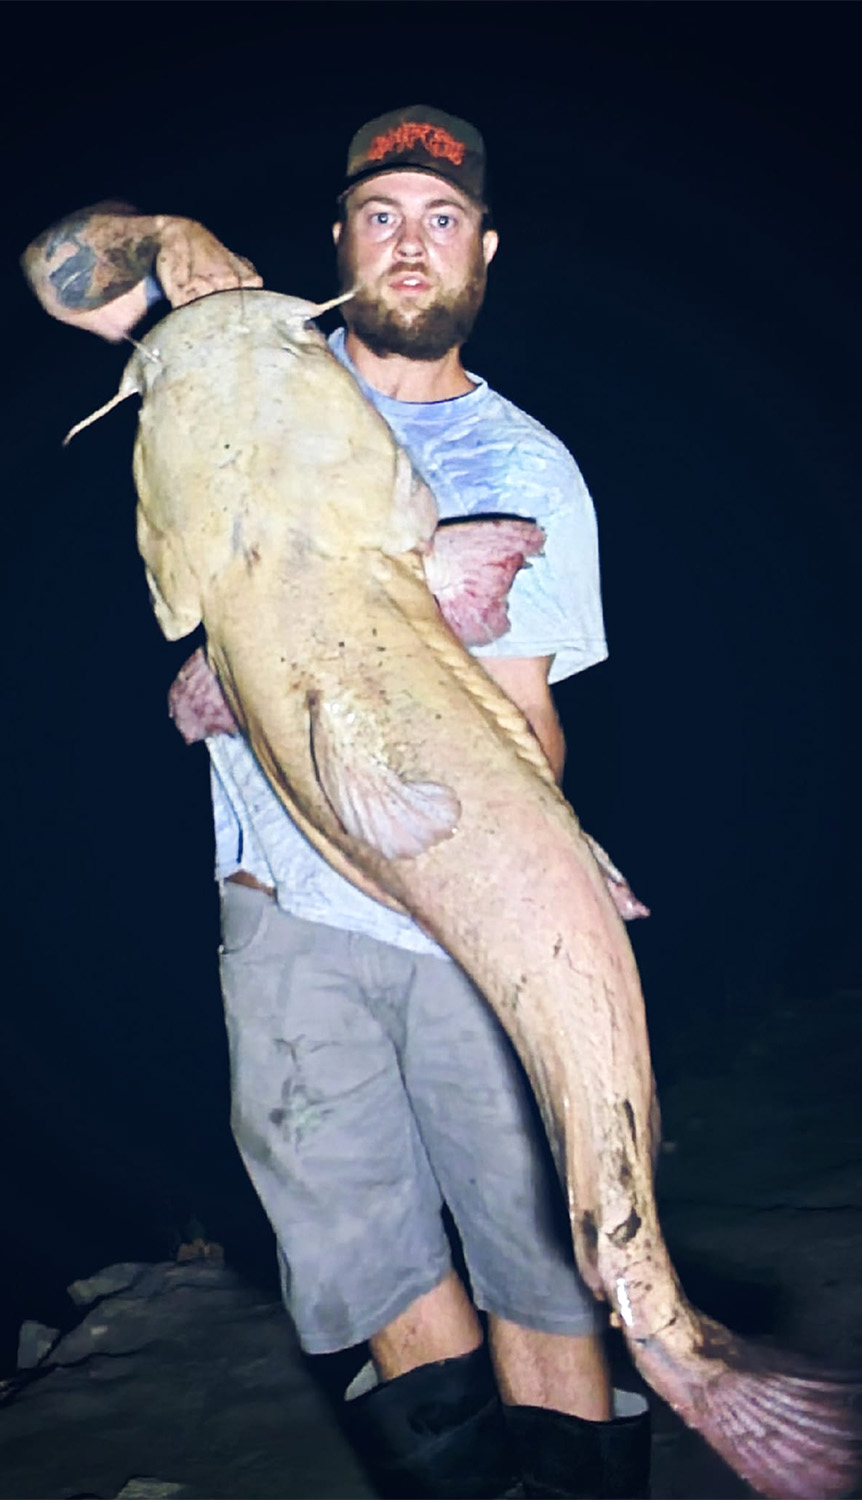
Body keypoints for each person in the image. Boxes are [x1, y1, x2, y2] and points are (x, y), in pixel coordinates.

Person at [21, 106, 649, 1499]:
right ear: (338, 243)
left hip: (462, 931)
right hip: (280, 923)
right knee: (382, 1282)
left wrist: (543, 915)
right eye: (380, 215)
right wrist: (181, 250)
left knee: (543, 1277)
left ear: (484, 249)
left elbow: (526, 720)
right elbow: (62, 268)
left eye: (440, 217)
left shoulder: (527, 468)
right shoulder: (242, 356)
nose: (410, 242)